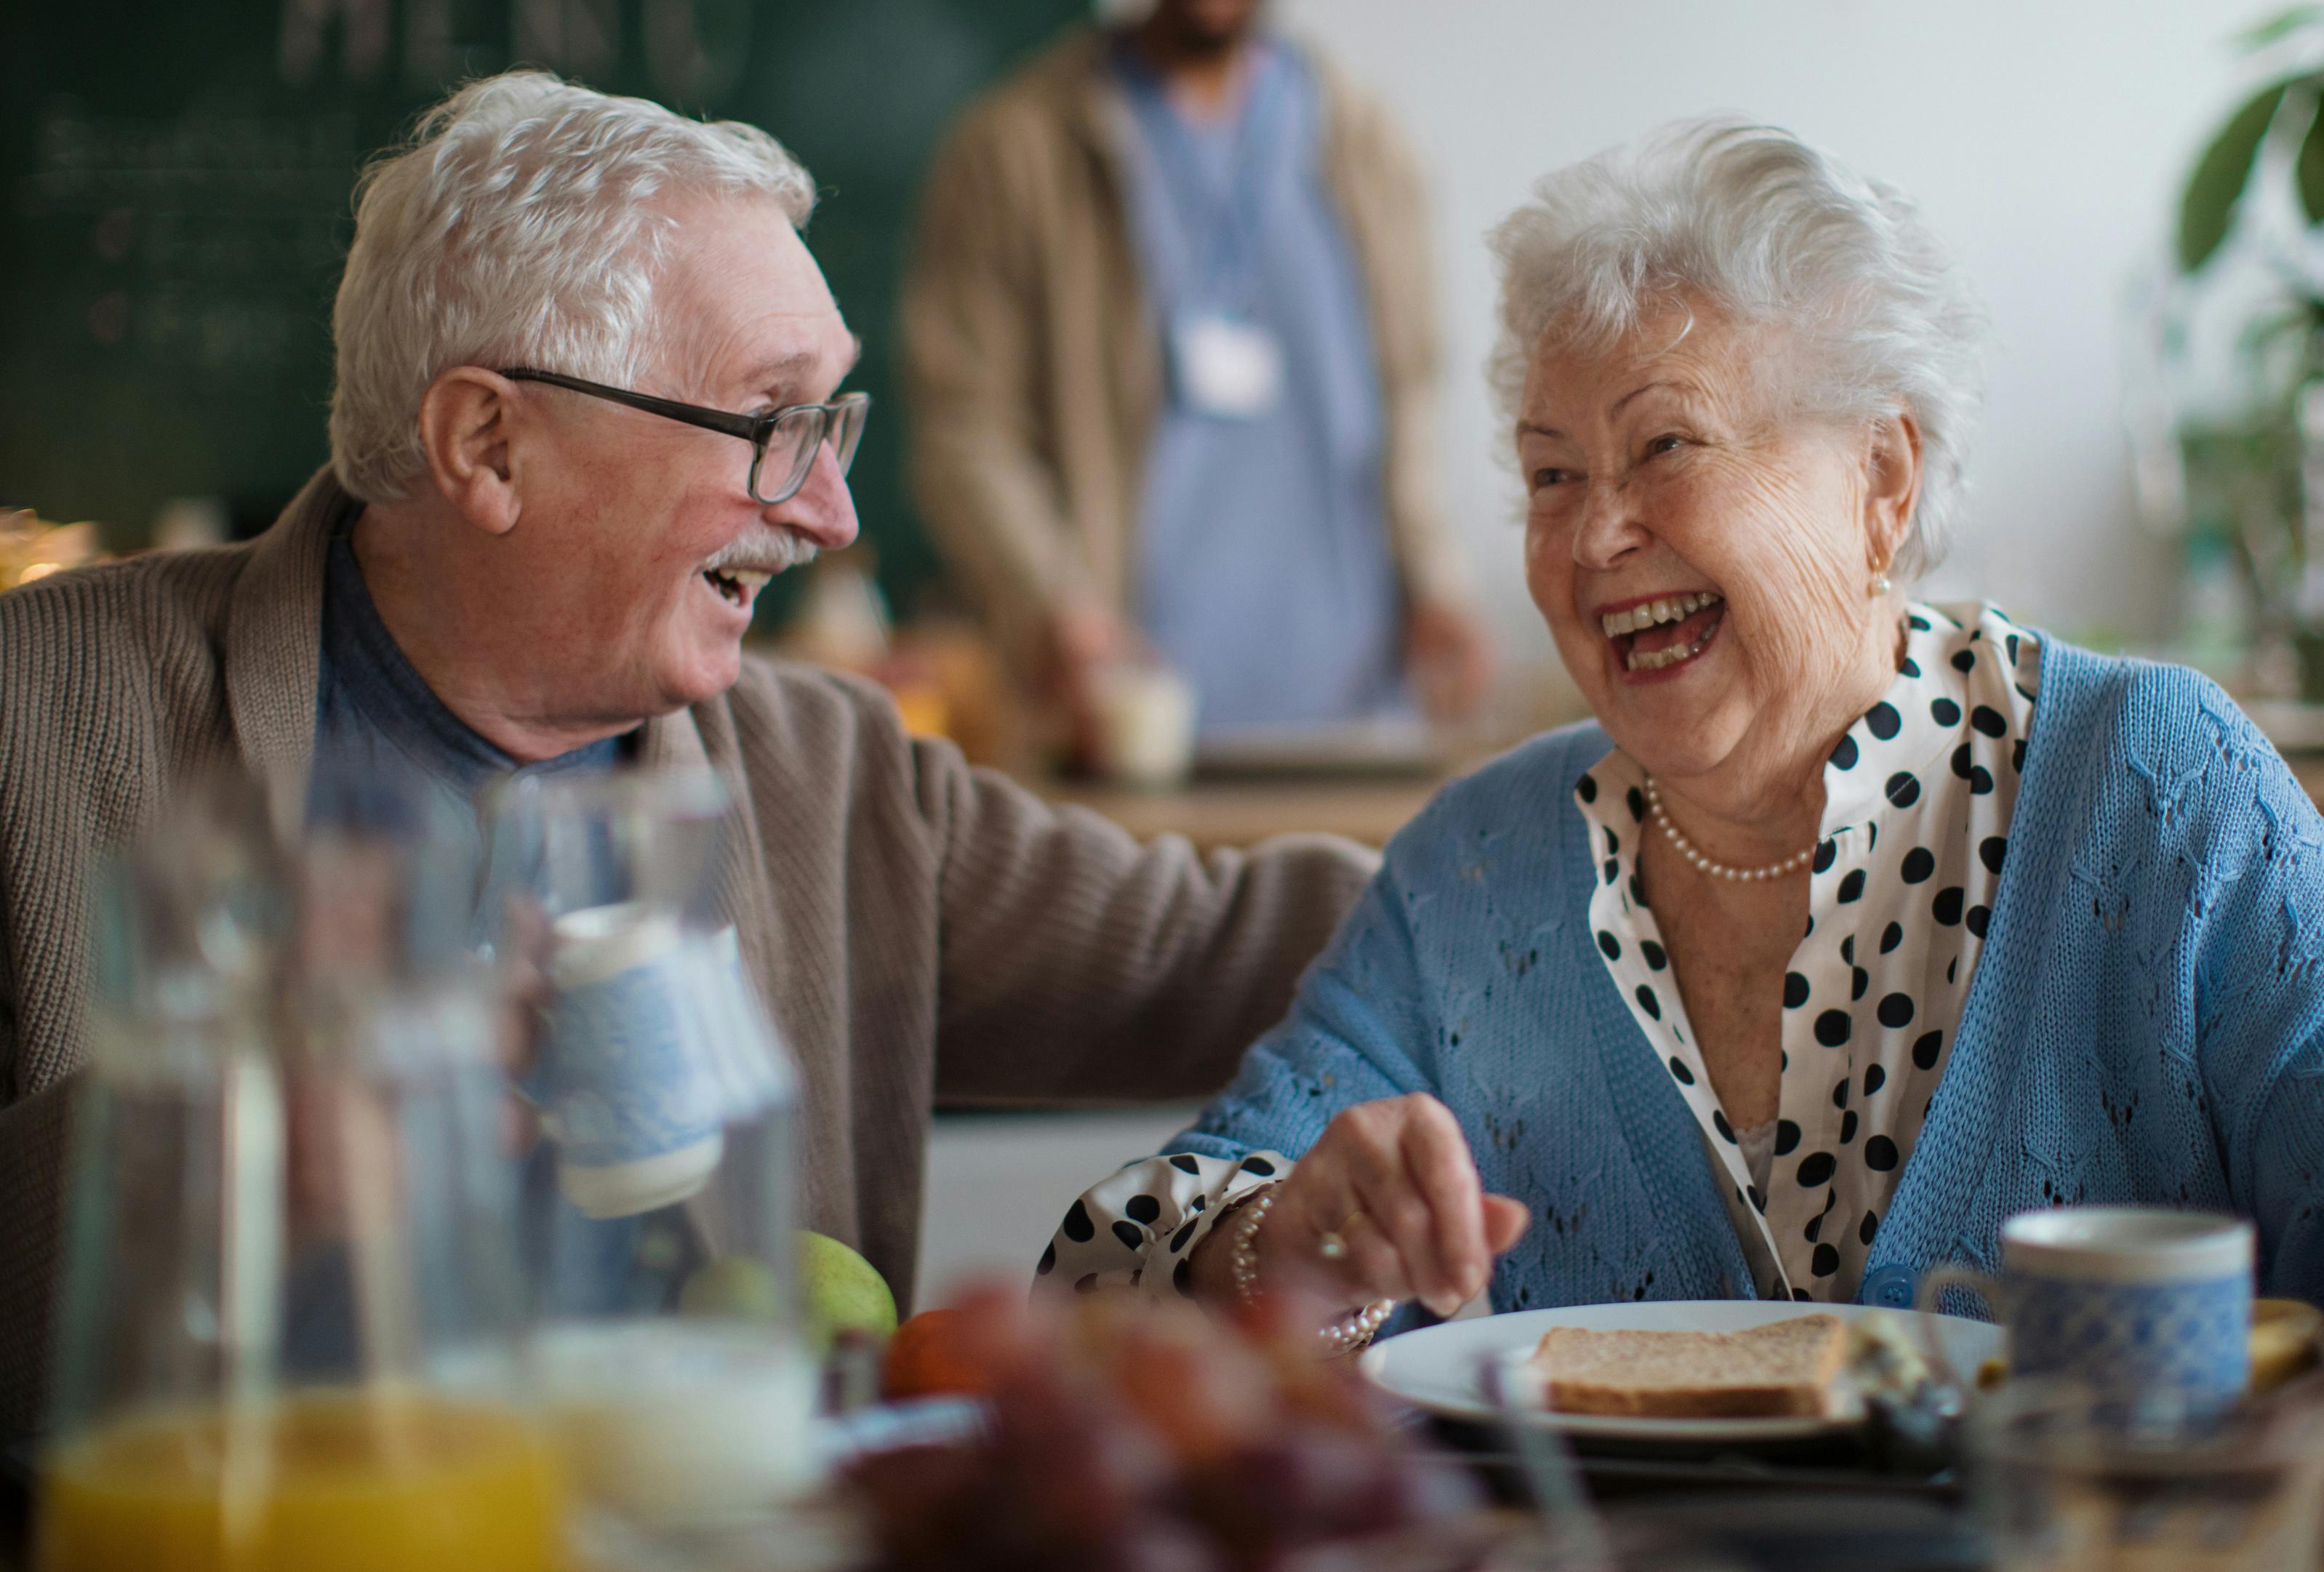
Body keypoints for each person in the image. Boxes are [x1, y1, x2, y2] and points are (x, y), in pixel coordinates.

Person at [1042, 121, 2324, 1554]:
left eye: (1665, 446)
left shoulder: (2152, 783)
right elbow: (1126, 1260)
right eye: (1551, 474)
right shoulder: (1475, 865)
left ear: (1884, 482)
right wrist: (1283, 1242)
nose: (1592, 534)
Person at [0, 71, 1373, 1453]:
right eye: (773, 423)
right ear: (489, 443)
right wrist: (196, 1156)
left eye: (833, 424)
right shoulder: (37, 712)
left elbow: (1241, 946)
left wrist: (1589, 819)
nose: (831, 515)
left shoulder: (827, 776)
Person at [902, 0, 1492, 754]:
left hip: (1356, 723)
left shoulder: (1365, 147)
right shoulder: (1018, 152)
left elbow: (1410, 397)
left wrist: (1437, 584)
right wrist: (1052, 607)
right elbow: (964, 426)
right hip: (1125, 727)